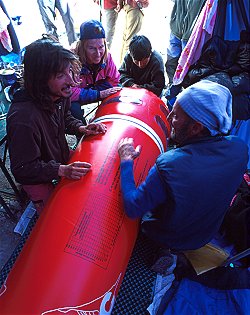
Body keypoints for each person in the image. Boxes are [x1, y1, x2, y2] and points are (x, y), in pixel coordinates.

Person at [117, 80, 248, 251]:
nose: (169, 117)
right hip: (204, 235)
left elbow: (133, 208)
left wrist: (126, 161)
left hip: (170, 238)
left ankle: (160, 252)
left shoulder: (170, 166)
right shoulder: (240, 148)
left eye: (176, 116)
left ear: (195, 128)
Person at [6, 35, 107, 214]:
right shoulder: (23, 119)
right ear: (40, 79)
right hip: (35, 175)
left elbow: (65, 117)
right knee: (53, 212)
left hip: (55, 157)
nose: (70, 80)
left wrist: (80, 127)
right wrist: (61, 170)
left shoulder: (58, 94)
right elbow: (23, 169)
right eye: (60, 75)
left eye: (69, 70)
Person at [70, 19, 121, 123]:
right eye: (92, 48)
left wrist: (102, 91)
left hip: (96, 87)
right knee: (72, 108)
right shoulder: (71, 60)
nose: (98, 53)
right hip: (79, 93)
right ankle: (81, 132)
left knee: (118, 93)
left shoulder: (107, 56)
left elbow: (115, 80)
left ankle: (111, 124)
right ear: (83, 47)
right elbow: (69, 92)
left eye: (101, 47)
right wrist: (98, 94)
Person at [166, 0, 206, 85]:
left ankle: (184, 90)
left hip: (191, 35)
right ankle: (172, 87)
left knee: (187, 66)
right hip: (176, 28)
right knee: (172, 61)